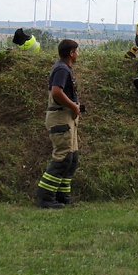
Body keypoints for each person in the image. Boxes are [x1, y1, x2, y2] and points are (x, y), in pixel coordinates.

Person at [35, 39, 82, 209]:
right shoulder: (62, 69)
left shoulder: (64, 68)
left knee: (72, 158)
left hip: (67, 117)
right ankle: (45, 198)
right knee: (62, 157)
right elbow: (56, 92)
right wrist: (73, 106)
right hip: (60, 117)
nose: (78, 54)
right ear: (71, 53)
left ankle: (62, 196)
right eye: (77, 51)